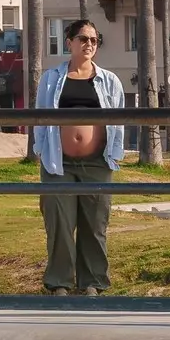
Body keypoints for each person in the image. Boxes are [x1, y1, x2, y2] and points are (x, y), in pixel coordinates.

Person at [32, 18, 124, 295]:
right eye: (83, 39)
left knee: (95, 225)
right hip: (58, 163)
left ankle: (92, 283)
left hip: (97, 163)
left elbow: (119, 119)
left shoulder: (110, 80)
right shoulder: (51, 79)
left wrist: (115, 155)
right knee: (59, 224)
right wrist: (41, 153)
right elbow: (39, 116)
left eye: (94, 40)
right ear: (69, 42)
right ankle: (59, 283)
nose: (89, 44)